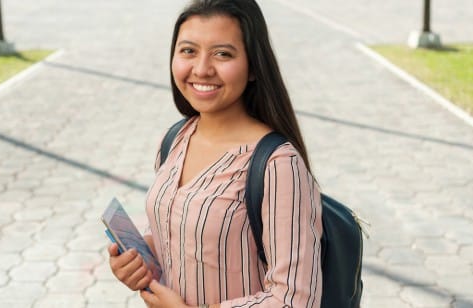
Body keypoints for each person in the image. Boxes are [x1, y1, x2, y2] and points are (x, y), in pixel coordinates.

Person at [107, 0, 323, 307]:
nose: (202, 69)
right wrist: (140, 257)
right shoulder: (175, 139)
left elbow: (295, 300)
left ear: (253, 67)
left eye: (223, 54)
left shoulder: (278, 165)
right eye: (188, 51)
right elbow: (179, 233)